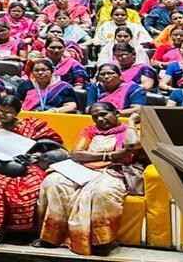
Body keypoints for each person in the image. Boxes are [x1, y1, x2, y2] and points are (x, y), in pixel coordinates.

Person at [35, 101, 144, 256]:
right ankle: (52, 236)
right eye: (95, 117)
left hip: (113, 171)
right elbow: (76, 154)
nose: (100, 119)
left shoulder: (130, 131)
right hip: (83, 170)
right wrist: (110, 155)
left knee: (102, 191)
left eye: (104, 114)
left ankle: (101, 242)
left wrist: (131, 122)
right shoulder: (90, 131)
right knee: (53, 182)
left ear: (116, 113)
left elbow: (131, 146)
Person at [0, 96, 65, 247]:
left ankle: (26, 232)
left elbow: (54, 145)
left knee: (33, 186)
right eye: (0, 111)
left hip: (26, 165)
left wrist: (35, 155)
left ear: (17, 113)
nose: (3, 115)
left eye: (8, 112)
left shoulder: (30, 125)